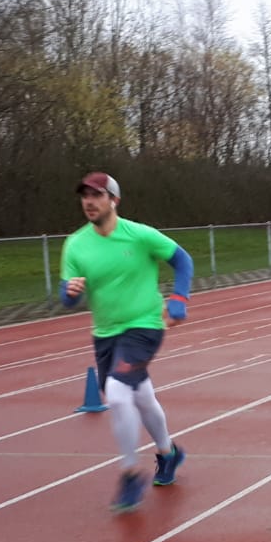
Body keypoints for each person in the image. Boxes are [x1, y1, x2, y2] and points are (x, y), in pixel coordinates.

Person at [60, 172, 190, 513]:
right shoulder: (75, 244)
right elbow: (67, 295)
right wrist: (69, 292)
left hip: (145, 325)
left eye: (97, 195)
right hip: (105, 332)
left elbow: (182, 260)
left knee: (117, 395)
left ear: (113, 200)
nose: (89, 201)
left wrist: (179, 298)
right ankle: (168, 453)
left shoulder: (141, 235)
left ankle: (130, 474)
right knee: (141, 394)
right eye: (84, 195)